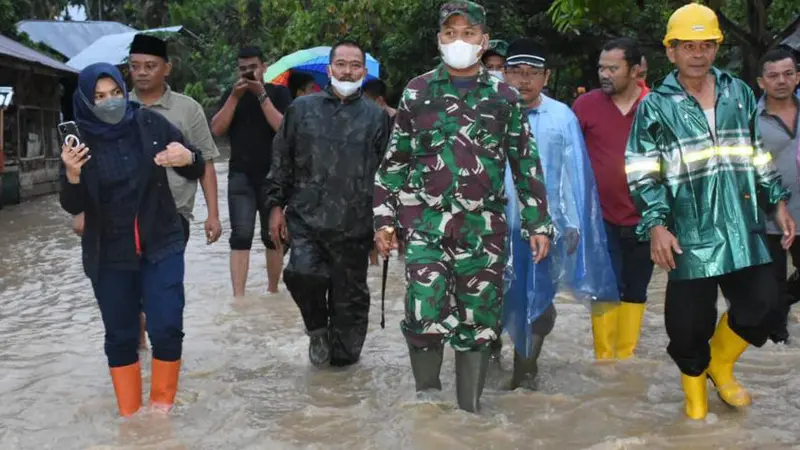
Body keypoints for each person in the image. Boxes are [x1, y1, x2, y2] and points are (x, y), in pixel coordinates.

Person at [373, 1, 553, 413]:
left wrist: (538, 223)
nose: (459, 41)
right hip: (426, 226)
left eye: (469, 33)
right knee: (423, 315)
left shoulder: (504, 96)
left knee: (478, 322)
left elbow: (525, 163)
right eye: (450, 33)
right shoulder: (417, 92)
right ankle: (428, 411)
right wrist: (384, 221)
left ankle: (467, 417)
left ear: (484, 41)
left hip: (483, 229)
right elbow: (394, 165)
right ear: (439, 40)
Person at [626, 3, 796, 420]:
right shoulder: (655, 106)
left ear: (716, 47)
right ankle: (696, 403)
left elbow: (754, 153)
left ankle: (721, 365)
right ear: (671, 51)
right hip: (688, 230)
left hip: (741, 222)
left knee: (764, 305)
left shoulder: (737, 91)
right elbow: (642, 170)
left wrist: (776, 202)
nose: (697, 53)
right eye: (688, 45)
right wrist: (656, 227)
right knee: (687, 327)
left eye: (706, 44)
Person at [59, 63, 205, 417]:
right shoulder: (78, 142)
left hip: (161, 242)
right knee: (122, 335)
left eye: (115, 94)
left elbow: (195, 164)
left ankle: (161, 414)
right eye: (99, 96)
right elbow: (72, 205)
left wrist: (187, 158)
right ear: (85, 101)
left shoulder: (149, 123)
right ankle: (129, 419)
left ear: (125, 93)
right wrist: (72, 175)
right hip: (108, 253)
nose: (110, 102)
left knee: (167, 325)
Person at [264, 40, 391, 368]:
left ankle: (339, 395)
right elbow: (281, 160)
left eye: (354, 65)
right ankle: (316, 328)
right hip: (307, 219)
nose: (347, 71)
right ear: (329, 69)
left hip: (355, 225)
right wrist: (276, 207)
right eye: (341, 64)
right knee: (301, 273)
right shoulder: (302, 109)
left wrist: (383, 225)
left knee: (347, 334)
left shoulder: (377, 118)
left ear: (364, 71)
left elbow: (387, 175)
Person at [501, 38, 618, 389]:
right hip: (491, 226)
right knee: (491, 299)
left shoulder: (561, 117)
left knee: (538, 298)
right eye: (517, 73)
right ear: (503, 74)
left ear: (546, 76)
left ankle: (525, 370)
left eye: (532, 73)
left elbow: (575, 175)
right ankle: (490, 357)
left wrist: (574, 226)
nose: (524, 81)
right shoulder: (489, 111)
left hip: (541, 229)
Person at [573, 37, 653, 361]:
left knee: (636, 289)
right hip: (599, 217)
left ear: (635, 70)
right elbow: (571, 158)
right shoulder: (585, 106)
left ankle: (626, 358)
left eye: (613, 68)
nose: (604, 74)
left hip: (648, 216)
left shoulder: (656, 106)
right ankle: (604, 362)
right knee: (605, 287)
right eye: (601, 68)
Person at [211, 46, 293, 296]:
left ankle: (272, 291)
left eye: (253, 68)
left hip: (273, 175)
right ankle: (239, 298)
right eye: (243, 69)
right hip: (240, 175)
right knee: (240, 235)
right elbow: (216, 129)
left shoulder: (279, 93)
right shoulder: (231, 94)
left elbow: (284, 128)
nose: (248, 73)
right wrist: (234, 98)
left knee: (274, 236)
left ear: (264, 67)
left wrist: (261, 95)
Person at [757, 47, 800, 344]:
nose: (781, 81)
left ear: (798, 77)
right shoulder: (750, 120)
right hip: (768, 217)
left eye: (787, 74)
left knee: (780, 294)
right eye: (773, 76)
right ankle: (778, 352)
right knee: (768, 292)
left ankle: (785, 299)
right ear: (762, 82)